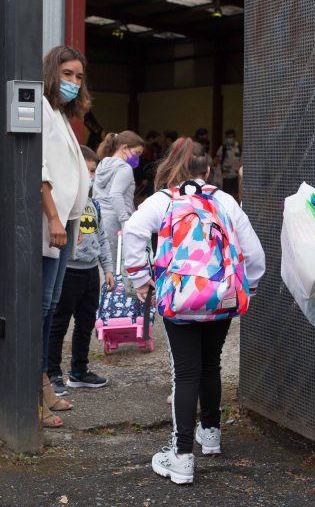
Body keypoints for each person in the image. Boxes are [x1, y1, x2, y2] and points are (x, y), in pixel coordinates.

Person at [122, 138, 265, 485]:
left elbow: (133, 230)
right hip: (222, 298)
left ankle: (181, 456)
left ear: (174, 166)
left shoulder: (164, 200)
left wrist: (141, 279)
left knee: (185, 373)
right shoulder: (224, 200)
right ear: (207, 169)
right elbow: (255, 254)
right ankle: (211, 435)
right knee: (210, 363)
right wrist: (249, 287)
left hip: (180, 299)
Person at [40, 45, 91, 428]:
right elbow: (39, 168)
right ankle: (34, 393)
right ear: (53, 72)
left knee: (53, 304)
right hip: (50, 225)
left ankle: (43, 387)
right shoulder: (40, 108)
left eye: (78, 76)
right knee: (42, 308)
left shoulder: (59, 113)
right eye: (68, 74)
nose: (73, 82)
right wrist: (55, 218)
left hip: (66, 224)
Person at [46, 145, 116, 396]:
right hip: (68, 272)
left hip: (90, 273)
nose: (91, 176)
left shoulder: (93, 205)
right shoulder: (63, 204)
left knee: (86, 323)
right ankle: (52, 373)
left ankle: (79, 371)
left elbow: (102, 238)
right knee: (58, 324)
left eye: (93, 171)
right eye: (86, 171)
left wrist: (107, 268)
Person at [93, 131, 145, 267]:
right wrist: (125, 222)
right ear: (124, 148)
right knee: (115, 269)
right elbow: (115, 194)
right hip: (114, 224)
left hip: (98, 220)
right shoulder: (125, 168)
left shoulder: (102, 164)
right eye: (137, 153)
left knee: (102, 267)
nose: (137, 158)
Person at [214, 129, 242, 202]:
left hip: (237, 176)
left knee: (237, 194)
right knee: (227, 195)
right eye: (228, 137)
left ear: (234, 137)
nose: (229, 139)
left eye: (231, 137)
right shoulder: (223, 148)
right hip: (226, 176)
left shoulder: (239, 147)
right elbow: (216, 160)